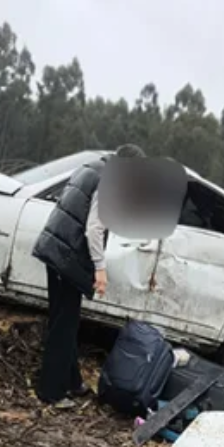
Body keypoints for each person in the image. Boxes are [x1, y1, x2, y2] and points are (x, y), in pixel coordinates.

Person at [31, 143, 146, 404]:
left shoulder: (92, 167)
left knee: (65, 321)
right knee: (63, 326)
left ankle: (72, 382)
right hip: (68, 256)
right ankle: (51, 393)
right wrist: (100, 268)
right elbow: (94, 228)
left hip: (57, 249)